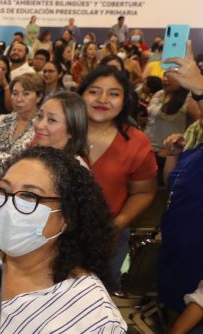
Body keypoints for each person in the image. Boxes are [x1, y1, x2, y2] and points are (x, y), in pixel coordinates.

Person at [0, 147, 129, 334]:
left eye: (29, 196)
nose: (9, 206)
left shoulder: (92, 325)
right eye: (3, 191)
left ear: (67, 217)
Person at [78, 66, 157, 285]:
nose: (102, 99)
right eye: (94, 91)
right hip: (51, 236)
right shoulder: (60, 130)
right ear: (81, 94)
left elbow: (144, 192)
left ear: (125, 101)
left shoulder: (136, 142)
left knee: (95, 304)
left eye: (113, 93)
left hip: (107, 238)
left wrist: (117, 224)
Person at [156, 42, 203, 317]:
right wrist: (173, 156)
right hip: (176, 246)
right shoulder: (195, 136)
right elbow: (171, 183)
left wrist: (198, 87)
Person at [0, 73, 44, 184]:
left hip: (23, 186)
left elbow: (29, 167)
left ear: (39, 97)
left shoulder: (43, 125)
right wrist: (10, 160)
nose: (19, 99)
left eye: (26, 94)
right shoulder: (4, 120)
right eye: (15, 94)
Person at [144, 72, 201, 183]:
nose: (165, 79)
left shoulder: (189, 100)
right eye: (164, 75)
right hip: (148, 151)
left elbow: (199, 126)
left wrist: (176, 147)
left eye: (170, 76)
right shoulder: (159, 94)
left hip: (167, 156)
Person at [33, 91, 90, 166]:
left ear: (72, 130)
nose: (39, 125)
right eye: (39, 116)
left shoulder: (76, 171)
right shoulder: (34, 155)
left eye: (52, 120)